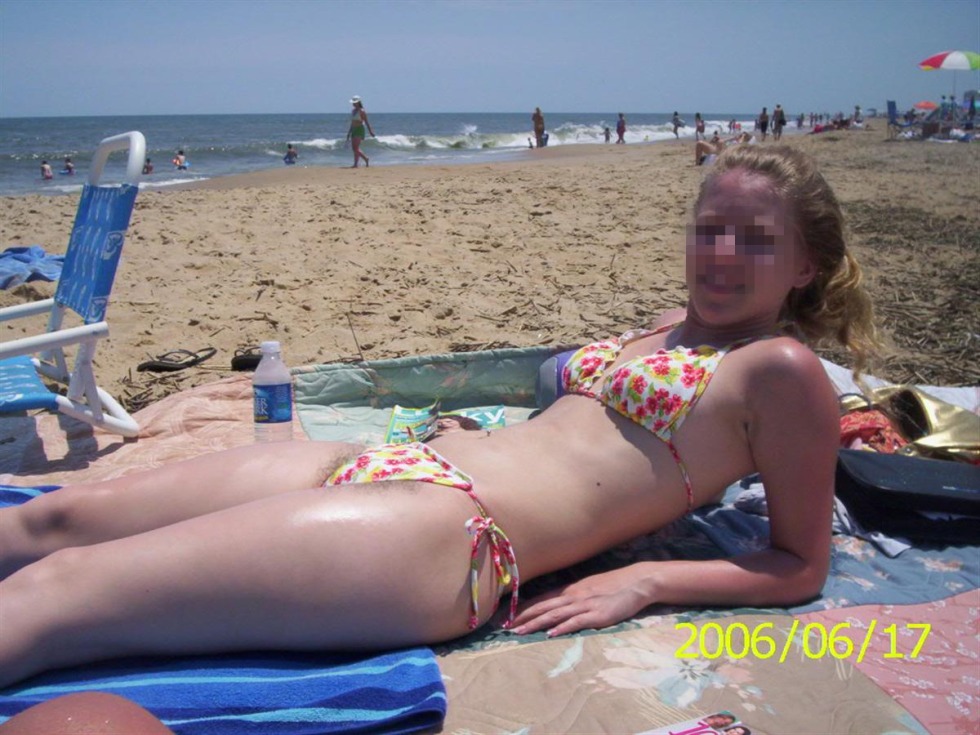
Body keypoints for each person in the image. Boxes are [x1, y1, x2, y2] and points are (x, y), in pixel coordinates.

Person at [0, 145, 878, 689]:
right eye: (710, 227)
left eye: (756, 239)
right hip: (386, 467)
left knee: (64, 591)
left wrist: (649, 581)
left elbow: (800, 563)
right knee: (53, 519)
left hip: (452, 535)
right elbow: (579, 443)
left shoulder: (780, 370)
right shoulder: (664, 328)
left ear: (804, 264)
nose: (722, 255)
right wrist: (475, 435)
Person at [346, 95, 375, 168]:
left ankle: (366, 158)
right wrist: (349, 132)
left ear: (359, 102)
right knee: (355, 148)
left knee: (355, 148)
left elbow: (366, 122)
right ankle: (355, 164)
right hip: (353, 129)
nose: (353, 104)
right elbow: (352, 122)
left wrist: (370, 131)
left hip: (359, 129)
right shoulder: (353, 111)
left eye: (355, 102)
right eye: (353, 102)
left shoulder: (362, 111)